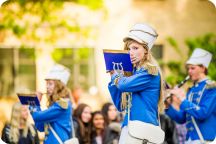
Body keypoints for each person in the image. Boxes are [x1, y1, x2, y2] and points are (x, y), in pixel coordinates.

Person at [108, 23, 165, 143]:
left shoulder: (150, 71)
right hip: (129, 128)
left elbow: (124, 85)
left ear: (146, 50)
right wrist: (112, 77)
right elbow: (120, 105)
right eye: (128, 49)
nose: (130, 53)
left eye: (135, 48)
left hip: (143, 130)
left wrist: (116, 75)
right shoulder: (131, 74)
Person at [165, 48, 216, 143]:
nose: (189, 71)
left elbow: (203, 113)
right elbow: (182, 118)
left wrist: (182, 99)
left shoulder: (212, 88)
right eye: (188, 68)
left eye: (193, 68)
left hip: (204, 140)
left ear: (203, 68)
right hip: (189, 140)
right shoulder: (192, 90)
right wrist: (167, 105)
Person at [29, 64, 73, 144]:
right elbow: (41, 127)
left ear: (59, 86)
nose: (47, 87)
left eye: (50, 84)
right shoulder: (55, 104)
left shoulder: (62, 105)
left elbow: (36, 116)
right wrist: (36, 104)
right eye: (47, 84)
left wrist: (34, 102)